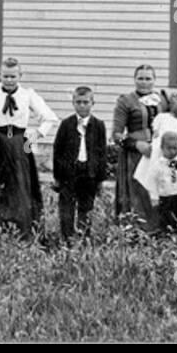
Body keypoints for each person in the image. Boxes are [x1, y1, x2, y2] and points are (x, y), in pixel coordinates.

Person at [0, 57, 59, 238]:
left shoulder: (28, 95)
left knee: (21, 183)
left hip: (22, 142)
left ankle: (23, 227)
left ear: (20, 76)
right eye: (5, 76)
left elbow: (50, 118)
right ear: (0, 75)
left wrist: (35, 137)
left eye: (13, 76)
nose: (9, 80)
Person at [112, 64, 166, 231]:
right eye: (140, 78)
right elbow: (116, 134)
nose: (144, 82)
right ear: (134, 80)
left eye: (148, 78)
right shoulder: (126, 101)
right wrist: (136, 144)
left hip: (158, 153)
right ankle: (136, 231)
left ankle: (159, 230)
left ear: (154, 80)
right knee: (139, 192)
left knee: (158, 191)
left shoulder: (162, 101)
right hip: (135, 156)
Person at [52, 86, 108, 242]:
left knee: (86, 207)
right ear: (73, 103)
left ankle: (84, 238)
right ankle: (67, 238)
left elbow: (102, 152)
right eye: (78, 102)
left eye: (86, 102)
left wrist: (100, 179)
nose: (82, 105)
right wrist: (57, 175)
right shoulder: (66, 124)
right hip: (69, 173)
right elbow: (58, 150)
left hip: (89, 172)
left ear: (92, 103)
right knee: (66, 208)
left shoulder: (98, 125)